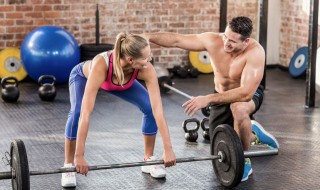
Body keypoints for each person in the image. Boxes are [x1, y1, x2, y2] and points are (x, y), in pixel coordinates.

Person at [142, 16, 279, 182]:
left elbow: (245, 94)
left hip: (247, 95)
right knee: (221, 144)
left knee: (239, 109)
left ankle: (243, 159)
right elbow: (177, 40)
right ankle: (253, 134)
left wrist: (207, 99)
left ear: (246, 41)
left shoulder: (255, 52)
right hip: (220, 96)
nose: (226, 43)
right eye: (225, 36)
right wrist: (148, 36)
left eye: (232, 42)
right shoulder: (213, 40)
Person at [61, 33, 176, 187]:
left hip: (121, 82)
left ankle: (148, 160)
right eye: (146, 57)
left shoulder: (146, 68)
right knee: (76, 112)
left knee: (149, 108)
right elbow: (85, 114)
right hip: (83, 77)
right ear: (130, 60)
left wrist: (168, 148)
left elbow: (158, 110)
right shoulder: (101, 65)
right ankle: (68, 165)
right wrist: (79, 156)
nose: (149, 60)